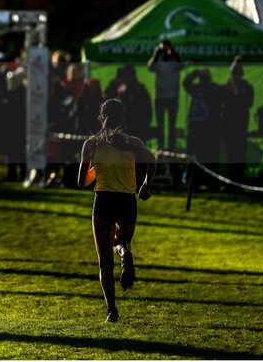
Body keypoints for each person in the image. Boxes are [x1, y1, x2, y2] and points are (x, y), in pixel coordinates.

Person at [77, 99, 157, 323]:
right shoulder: (133, 142)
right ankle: (125, 254)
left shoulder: (91, 145)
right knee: (121, 242)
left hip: (104, 201)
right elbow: (152, 160)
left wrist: (98, 167)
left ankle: (111, 310)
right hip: (127, 201)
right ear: (122, 119)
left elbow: (82, 182)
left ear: (101, 118)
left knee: (104, 262)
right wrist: (146, 185)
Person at [220, 58, 254, 184]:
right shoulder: (226, 88)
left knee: (240, 154)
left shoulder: (247, 87)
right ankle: (231, 180)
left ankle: (239, 180)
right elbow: (222, 102)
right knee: (231, 154)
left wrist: (238, 92)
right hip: (229, 126)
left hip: (241, 126)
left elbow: (248, 103)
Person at [147, 40, 184, 151]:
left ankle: (171, 147)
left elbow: (181, 66)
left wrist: (175, 54)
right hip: (160, 97)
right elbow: (150, 67)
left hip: (172, 96)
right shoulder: (157, 60)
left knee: (171, 125)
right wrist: (156, 55)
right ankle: (161, 147)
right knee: (160, 125)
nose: (165, 51)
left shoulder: (174, 60)